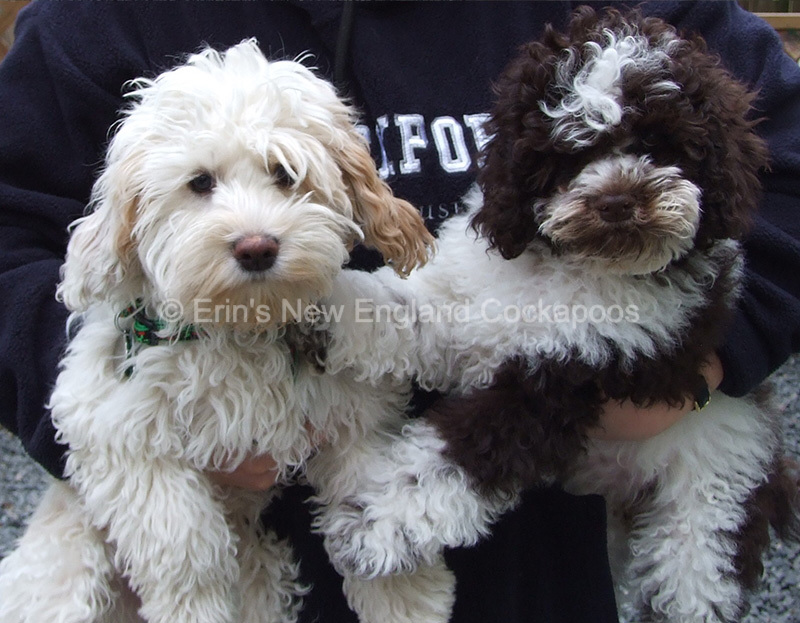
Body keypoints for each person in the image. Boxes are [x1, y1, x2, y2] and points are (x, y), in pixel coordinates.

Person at [0, 2, 798, 622]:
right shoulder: (101, 20)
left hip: (519, 577)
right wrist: (136, 414)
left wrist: (695, 360)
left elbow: (782, 159)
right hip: (197, 566)